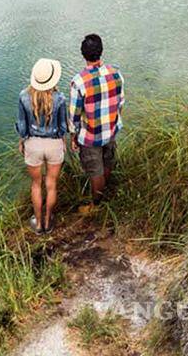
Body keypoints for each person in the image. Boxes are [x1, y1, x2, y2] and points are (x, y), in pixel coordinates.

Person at [68, 34, 124, 206]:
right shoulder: (116, 74)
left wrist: (73, 136)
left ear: (83, 54)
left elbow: (74, 115)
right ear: (101, 51)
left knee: (95, 171)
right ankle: (105, 194)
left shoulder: (79, 82)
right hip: (111, 129)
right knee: (107, 163)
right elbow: (121, 102)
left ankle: (97, 204)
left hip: (91, 136)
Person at [17, 58, 69, 233]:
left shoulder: (24, 96)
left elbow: (22, 125)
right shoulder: (60, 98)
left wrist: (22, 141)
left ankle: (38, 224)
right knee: (51, 184)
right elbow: (63, 127)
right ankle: (48, 222)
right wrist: (63, 141)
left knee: (36, 184)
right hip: (54, 144)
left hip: (33, 145)